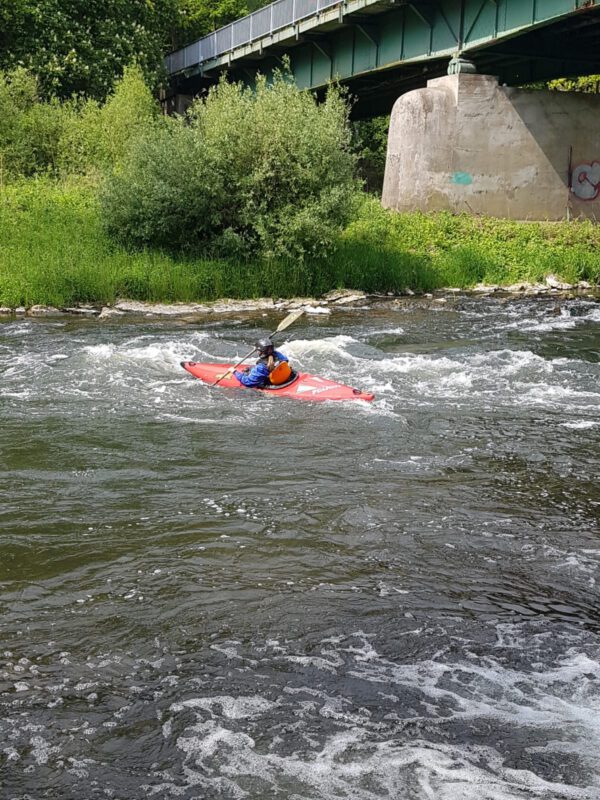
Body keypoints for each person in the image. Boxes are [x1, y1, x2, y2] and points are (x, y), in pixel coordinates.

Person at [226, 337, 293, 388]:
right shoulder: (278, 354)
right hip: (286, 376)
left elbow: (248, 382)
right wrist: (251, 369)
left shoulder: (261, 367)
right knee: (250, 369)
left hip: (274, 381)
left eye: (257, 350)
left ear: (260, 352)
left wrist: (234, 372)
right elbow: (286, 361)